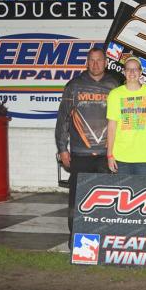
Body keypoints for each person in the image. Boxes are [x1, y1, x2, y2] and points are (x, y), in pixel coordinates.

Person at [55, 47, 120, 247]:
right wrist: (63, 148)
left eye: (99, 60)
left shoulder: (115, 86)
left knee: (105, 199)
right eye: (91, 60)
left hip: (105, 154)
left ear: (106, 63)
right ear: (87, 62)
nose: (95, 64)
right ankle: (76, 239)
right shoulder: (74, 86)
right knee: (78, 198)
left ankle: (102, 239)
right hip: (80, 154)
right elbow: (63, 119)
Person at [106, 56, 146, 175]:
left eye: (135, 69)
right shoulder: (115, 94)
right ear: (124, 72)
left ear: (141, 72)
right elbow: (111, 126)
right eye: (128, 69)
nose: (132, 72)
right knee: (124, 192)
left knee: (141, 192)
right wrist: (110, 154)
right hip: (121, 156)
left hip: (144, 157)